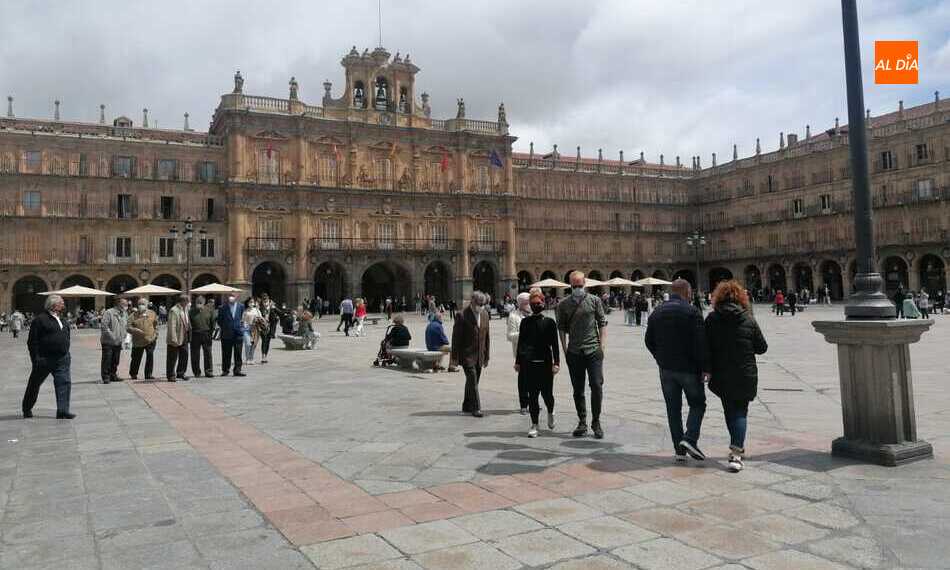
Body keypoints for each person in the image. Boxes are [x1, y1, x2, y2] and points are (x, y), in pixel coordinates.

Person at [705, 280, 768, 472]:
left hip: (721, 373)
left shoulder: (711, 319)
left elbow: (705, 349)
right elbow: (762, 348)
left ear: (718, 298)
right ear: (742, 298)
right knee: (740, 412)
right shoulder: (748, 319)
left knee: (729, 410)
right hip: (744, 373)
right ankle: (736, 451)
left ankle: (736, 446)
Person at [645, 278, 709, 462]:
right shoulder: (692, 311)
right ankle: (689, 439)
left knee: (673, 409)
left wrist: (660, 358)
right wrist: (705, 367)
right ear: (687, 292)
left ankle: (679, 450)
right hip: (689, 369)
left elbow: (649, 341)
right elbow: (701, 342)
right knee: (697, 404)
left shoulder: (657, 312)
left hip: (666, 370)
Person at [556, 271, 607, 439]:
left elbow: (602, 323)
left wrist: (602, 347)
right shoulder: (563, 304)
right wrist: (564, 350)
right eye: (574, 285)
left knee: (597, 386)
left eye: (580, 285)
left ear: (585, 283)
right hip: (575, 352)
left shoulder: (594, 300)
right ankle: (582, 421)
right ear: (570, 285)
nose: (577, 288)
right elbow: (561, 328)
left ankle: (596, 422)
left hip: (593, 350)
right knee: (578, 389)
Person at [516, 291, 560, 437]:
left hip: (545, 364)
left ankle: (551, 411)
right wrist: (518, 362)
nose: (536, 305)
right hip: (529, 364)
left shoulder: (549, 323)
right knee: (533, 396)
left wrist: (557, 363)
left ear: (543, 303)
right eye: (533, 303)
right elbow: (521, 343)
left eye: (539, 303)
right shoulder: (525, 322)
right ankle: (534, 425)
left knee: (547, 395)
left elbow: (555, 345)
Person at [22, 295, 75, 419]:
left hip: (62, 358)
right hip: (45, 359)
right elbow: (32, 342)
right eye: (61, 303)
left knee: (64, 383)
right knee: (34, 384)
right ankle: (27, 408)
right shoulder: (40, 320)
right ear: (53, 305)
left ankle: (62, 411)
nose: (63, 304)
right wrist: (36, 359)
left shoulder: (62, 319)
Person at [451, 292, 490, 417]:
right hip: (467, 355)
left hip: (479, 355)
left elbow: (486, 337)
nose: (481, 306)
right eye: (479, 304)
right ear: (472, 301)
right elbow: (456, 338)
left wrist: (486, 356)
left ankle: (466, 405)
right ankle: (476, 408)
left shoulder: (484, 314)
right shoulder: (462, 315)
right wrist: (454, 358)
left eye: (483, 304)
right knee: (472, 379)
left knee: (473, 381)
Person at [507, 292, 531, 414]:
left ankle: (533, 402)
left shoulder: (533, 314)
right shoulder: (513, 317)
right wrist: (524, 333)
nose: (530, 305)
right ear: (521, 304)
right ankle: (523, 405)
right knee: (523, 379)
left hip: (536, 352)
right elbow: (510, 336)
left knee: (534, 379)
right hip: (521, 353)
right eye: (527, 303)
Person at [127, 299, 158, 380]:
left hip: (150, 340)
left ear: (147, 305)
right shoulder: (133, 315)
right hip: (138, 341)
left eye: (143, 304)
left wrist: (156, 334)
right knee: (136, 358)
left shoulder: (152, 313)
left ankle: (148, 374)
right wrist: (134, 330)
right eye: (140, 304)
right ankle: (133, 374)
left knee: (150, 356)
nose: (141, 305)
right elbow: (128, 327)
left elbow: (155, 324)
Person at [100, 298, 128, 384]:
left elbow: (125, 325)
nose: (126, 306)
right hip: (108, 341)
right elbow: (104, 326)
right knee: (107, 359)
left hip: (118, 341)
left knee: (116, 360)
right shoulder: (109, 312)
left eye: (126, 304)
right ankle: (106, 376)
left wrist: (124, 335)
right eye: (124, 304)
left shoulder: (124, 313)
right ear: (118, 304)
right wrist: (112, 336)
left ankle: (113, 375)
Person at [217, 294, 246, 377]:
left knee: (238, 353)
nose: (231, 297)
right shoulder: (222, 307)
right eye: (230, 296)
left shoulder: (241, 306)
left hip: (238, 333)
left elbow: (242, 318)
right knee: (226, 353)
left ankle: (237, 370)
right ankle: (225, 370)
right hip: (226, 334)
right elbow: (219, 320)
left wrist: (241, 328)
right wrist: (226, 327)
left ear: (237, 297)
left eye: (233, 296)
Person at [166, 294, 191, 382]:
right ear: (183, 301)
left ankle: (181, 372)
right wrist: (173, 338)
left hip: (184, 335)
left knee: (184, 355)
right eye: (187, 301)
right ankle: (171, 375)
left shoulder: (186, 309)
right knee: (172, 357)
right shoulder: (174, 310)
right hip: (176, 336)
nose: (188, 303)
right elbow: (171, 325)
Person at [190, 296, 216, 377]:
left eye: (200, 302)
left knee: (208, 353)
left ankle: (208, 371)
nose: (199, 304)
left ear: (204, 303)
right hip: (195, 334)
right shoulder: (191, 311)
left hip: (206, 334)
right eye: (197, 302)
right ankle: (196, 372)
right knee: (195, 354)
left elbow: (213, 323)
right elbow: (189, 323)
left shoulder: (209, 310)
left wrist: (210, 333)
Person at [261, 297, 278, 362]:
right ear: (262, 302)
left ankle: (265, 355)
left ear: (269, 301)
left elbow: (280, 312)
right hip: (263, 327)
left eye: (266, 302)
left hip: (270, 328)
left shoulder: (272, 308)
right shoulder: (260, 309)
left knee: (267, 342)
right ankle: (263, 356)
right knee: (264, 341)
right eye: (264, 302)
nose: (265, 303)